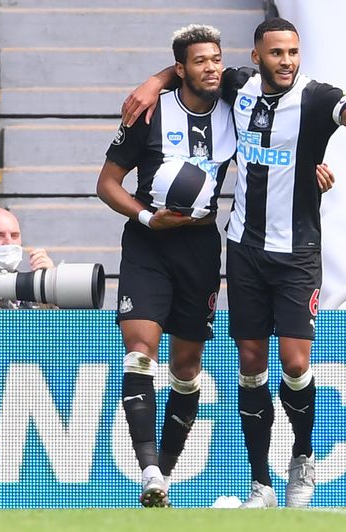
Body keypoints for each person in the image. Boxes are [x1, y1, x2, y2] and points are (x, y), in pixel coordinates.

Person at [122, 17, 346, 508]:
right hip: (244, 249)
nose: (286, 61)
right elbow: (189, 69)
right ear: (256, 58)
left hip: (297, 253)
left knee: (295, 363)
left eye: (292, 52)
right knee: (250, 364)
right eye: (276, 53)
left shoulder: (316, 97)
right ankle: (261, 484)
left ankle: (303, 457)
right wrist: (154, 80)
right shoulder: (237, 87)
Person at [96, 24, 238, 509]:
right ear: (180, 69)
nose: (211, 68)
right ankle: (149, 470)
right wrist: (145, 217)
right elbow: (107, 183)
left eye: (216, 59)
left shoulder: (236, 108)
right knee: (140, 352)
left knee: (187, 366)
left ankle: (167, 474)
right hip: (148, 242)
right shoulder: (150, 114)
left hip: (201, 247)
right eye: (200, 61)